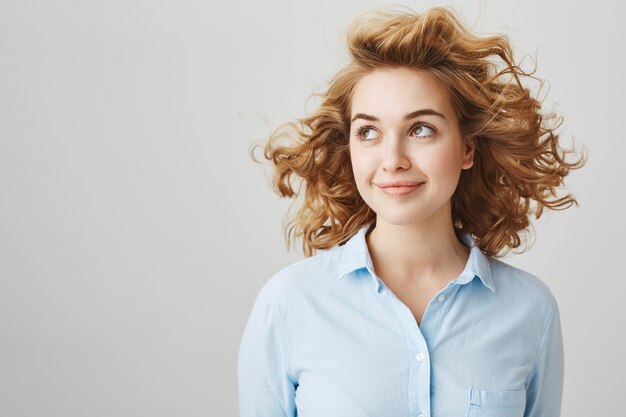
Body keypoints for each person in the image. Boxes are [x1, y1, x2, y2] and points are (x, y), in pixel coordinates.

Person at [238, 6, 585, 417]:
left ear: (467, 148)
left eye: (421, 129)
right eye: (368, 132)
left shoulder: (530, 310)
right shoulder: (288, 304)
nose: (392, 159)